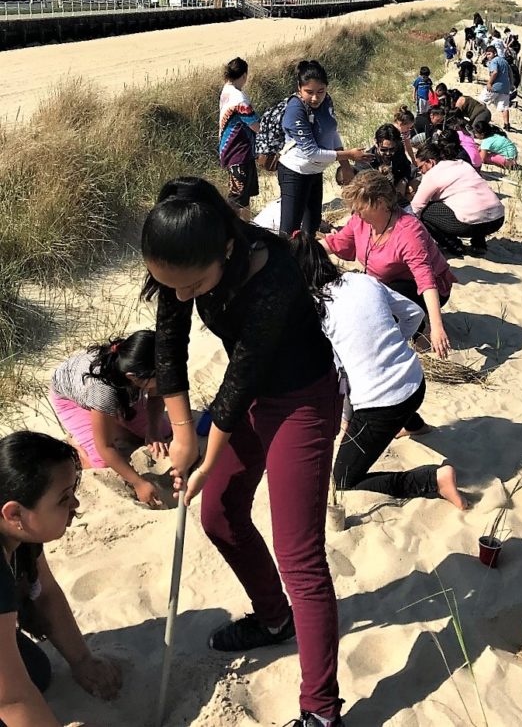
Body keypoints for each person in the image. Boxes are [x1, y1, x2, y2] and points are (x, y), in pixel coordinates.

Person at [141, 177, 345, 727]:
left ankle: (322, 711)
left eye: (192, 286)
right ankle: (274, 620)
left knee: (300, 555)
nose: (182, 296)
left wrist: (204, 454)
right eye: (169, 286)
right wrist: (184, 435)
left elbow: (242, 373)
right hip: (249, 399)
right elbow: (168, 347)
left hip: (299, 398)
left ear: (226, 250)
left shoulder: (272, 270)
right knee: (219, 515)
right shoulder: (182, 258)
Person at [289, 235, 466, 508]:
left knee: (345, 478)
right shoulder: (361, 280)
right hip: (415, 381)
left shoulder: (317, 312)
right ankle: (415, 425)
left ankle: (434, 479)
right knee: (387, 381)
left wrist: (347, 419)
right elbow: (415, 314)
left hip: (382, 406)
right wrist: (396, 341)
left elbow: (341, 377)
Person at [0, 431, 122, 727]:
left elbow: (45, 594)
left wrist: (82, 661)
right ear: (14, 512)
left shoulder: (20, 533)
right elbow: (12, 699)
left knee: (36, 671)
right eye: (64, 498)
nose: (76, 505)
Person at [321, 171, 455, 359]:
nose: (356, 212)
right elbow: (337, 242)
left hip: (422, 287)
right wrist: (302, 251)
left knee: (375, 316)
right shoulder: (361, 221)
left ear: (382, 203)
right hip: (386, 283)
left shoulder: (408, 231)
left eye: (361, 207)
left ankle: (421, 325)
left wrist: (437, 327)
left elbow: (426, 280)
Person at [49, 331, 168, 507]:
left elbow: (156, 395)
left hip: (120, 394)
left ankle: (114, 425)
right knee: (100, 461)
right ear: (133, 377)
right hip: (70, 400)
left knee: (164, 430)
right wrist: (138, 483)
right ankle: (77, 444)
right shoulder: (103, 392)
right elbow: (105, 447)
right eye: (156, 378)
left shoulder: (138, 360)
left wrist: (154, 431)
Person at [279, 60, 371, 236]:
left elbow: (332, 132)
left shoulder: (326, 101)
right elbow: (312, 152)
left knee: (312, 224)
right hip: (295, 172)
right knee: (289, 229)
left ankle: (307, 260)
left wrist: (345, 166)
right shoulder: (295, 110)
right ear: (299, 88)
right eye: (309, 92)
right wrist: (350, 154)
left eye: (320, 91)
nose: (315, 98)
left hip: (315, 172)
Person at [412, 142, 505, 256]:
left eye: (421, 167)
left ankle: (454, 245)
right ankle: (479, 244)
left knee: (425, 211)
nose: (421, 171)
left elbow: (416, 206)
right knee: (472, 204)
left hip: (470, 224)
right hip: (497, 218)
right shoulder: (462, 164)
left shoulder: (432, 174)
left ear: (431, 162)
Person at [219, 57, 260, 217]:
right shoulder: (238, 97)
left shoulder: (226, 90)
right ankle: (233, 231)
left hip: (232, 149)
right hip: (238, 151)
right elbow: (255, 125)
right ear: (244, 75)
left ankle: (246, 228)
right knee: (237, 197)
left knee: (244, 195)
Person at [355, 124, 416, 208]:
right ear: (375, 142)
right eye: (383, 149)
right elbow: (363, 190)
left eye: (392, 149)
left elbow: (407, 167)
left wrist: (403, 181)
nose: (388, 153)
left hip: (398, 194)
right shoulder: (366, 162)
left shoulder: (398, 150)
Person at [482, 46, 513, 131]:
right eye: (487, 54)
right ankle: (507, 125)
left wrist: (489, 83)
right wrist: (511, 85)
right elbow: (510, 74)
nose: (488, 56)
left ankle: (482, 120)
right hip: (505, 87)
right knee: (504, 107)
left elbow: (495, 72)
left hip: (495, 86)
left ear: (494, 53)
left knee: (482, 100)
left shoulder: (494, 61)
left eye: (489, 54)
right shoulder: (504, 61)